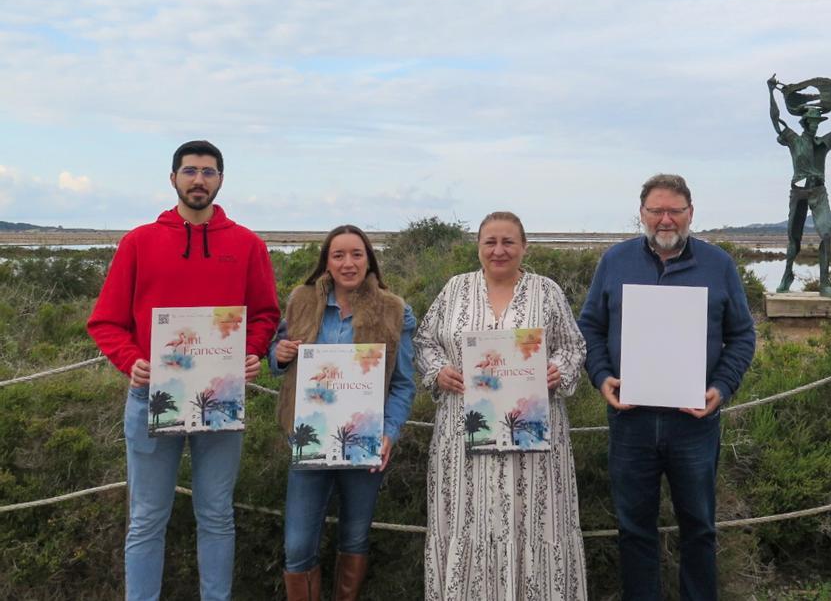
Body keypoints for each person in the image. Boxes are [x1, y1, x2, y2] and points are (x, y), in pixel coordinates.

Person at [86, 140, 280, 601]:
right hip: (151, 395)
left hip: (221, 396)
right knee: (147, 518)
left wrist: (251, 351)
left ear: (221, 180)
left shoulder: (248, 245)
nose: (199, 180)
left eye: (208, 172)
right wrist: (131, 361)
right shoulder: (138, 242)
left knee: (216, 515)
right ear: (173, 178)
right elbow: (105, 321)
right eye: (190, 171)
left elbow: (266, 314)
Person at [578, 174, 757, 601]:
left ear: (690, 213)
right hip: (631, 422)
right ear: (641, 213)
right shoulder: (615, 261)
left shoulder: (719, 264)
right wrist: (601, 377)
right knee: (634, 529)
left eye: (674, 210)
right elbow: (590, 328)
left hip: (694, 424)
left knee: (699, 528)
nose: (665, 219)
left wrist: (721, 387)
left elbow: (742, 335)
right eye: (656, 210)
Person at [414, 211, 588, 600]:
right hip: (463, 440)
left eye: (508, 242)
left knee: (536, 523)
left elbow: (574, 346)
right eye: (490, 242)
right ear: (478, 247)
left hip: (534, 444)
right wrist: (439, 371)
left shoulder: (546, 292)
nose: (499, 250)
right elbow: (424, 342)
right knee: (467, 522)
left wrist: (558, 370)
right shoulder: (455, 289)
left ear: (524, 247)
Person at [269, 225, 416, 601]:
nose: (348, 263)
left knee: (354, 538)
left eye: (356, 254)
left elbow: (403, 384)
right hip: (308, 441)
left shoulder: (395, 310)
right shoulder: (301, 300)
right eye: (338, 255)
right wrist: (278, 355)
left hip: (365, 444)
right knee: (298, 546)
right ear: (327, 262)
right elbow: (277, 354)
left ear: (369, 260)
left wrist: (389, 432)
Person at [766, 75, 831, 296]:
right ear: (805, 122)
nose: (815, 125)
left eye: (818, 122)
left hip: (818, 191)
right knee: (794, 237)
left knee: (826, 233)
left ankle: (824, 283)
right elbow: (775, 119)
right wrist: (771, 92)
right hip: (798, 192)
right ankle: (787, 275)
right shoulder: (793, 140)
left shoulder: (823, 143)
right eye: (812, 121)